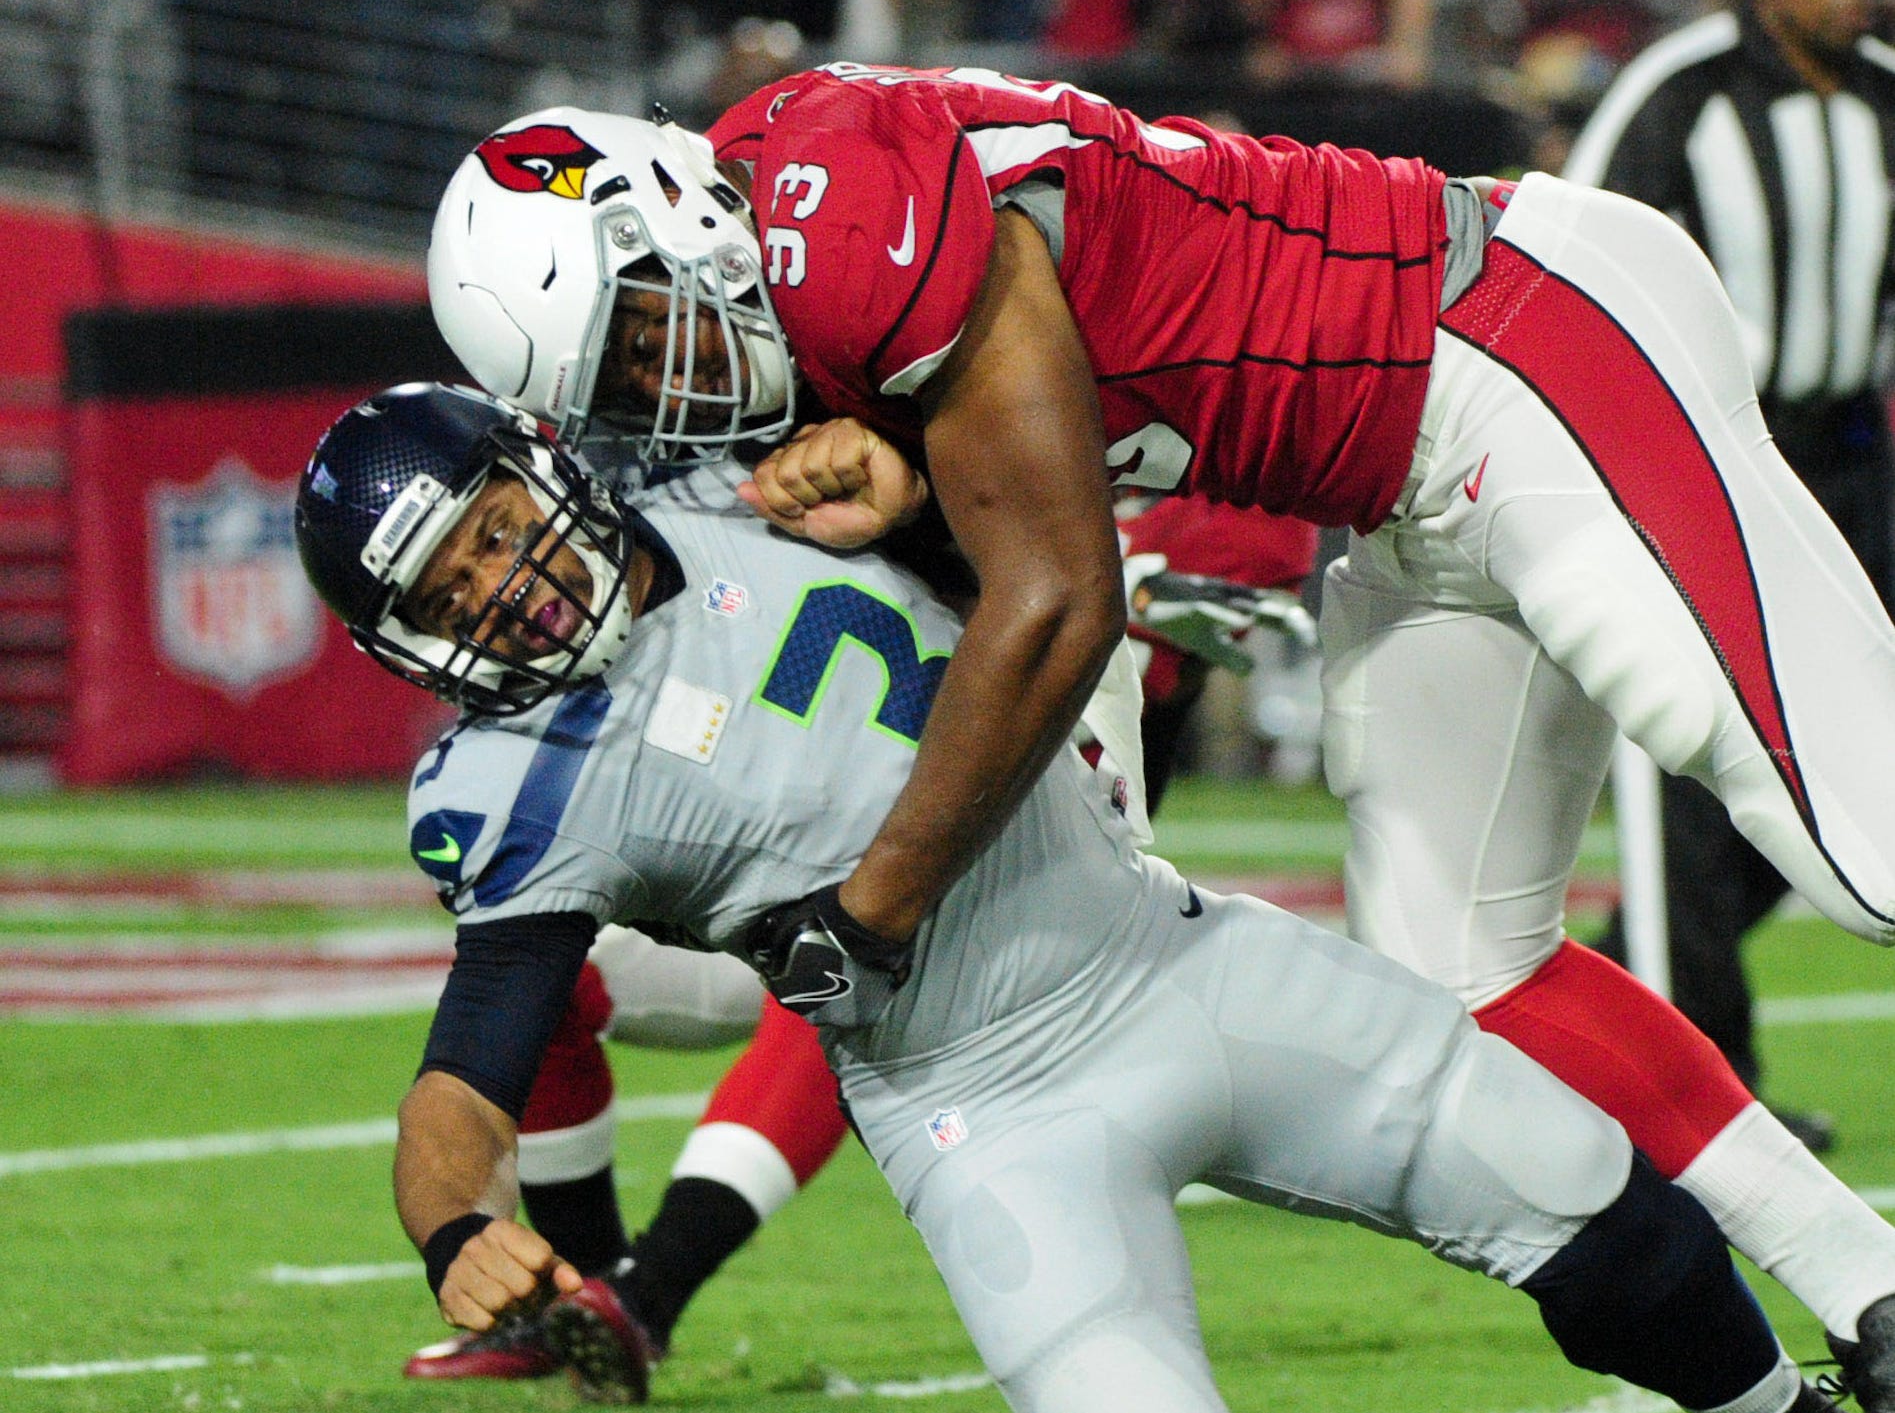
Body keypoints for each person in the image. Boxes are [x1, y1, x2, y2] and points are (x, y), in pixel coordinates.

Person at [423, 79, 1895, 1407]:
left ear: (669, 213)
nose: (661, 380)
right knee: (1465, 969)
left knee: (1859, 844)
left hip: (1507, 343)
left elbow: (1063, 600)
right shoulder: (796, 269)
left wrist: (870, 911)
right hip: (1396, 488)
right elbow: (1019, 467)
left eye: (640, 329)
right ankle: (1872, 1290)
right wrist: (907, 477)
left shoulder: (839, 206)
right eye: (619, 384)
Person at [296, 379, 1840, 1413]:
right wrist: (452, 1228)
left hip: (1167, 953)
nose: (499, 586)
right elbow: (466, 1069)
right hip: (984, 1115)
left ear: (541, 469)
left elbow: (1021, 545)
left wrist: (904, 485)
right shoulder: (515, 788)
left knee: (1586, 1195)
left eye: (487, 533)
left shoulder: (741, 484)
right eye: (446, 593)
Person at [401, 487, 1321, 1394]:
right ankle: (584, 1296)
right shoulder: (739, 486)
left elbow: (1098, 782)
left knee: (850, 962)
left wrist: (1139, 638)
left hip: (941, 893)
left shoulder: (1145, 488)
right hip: (745, 874)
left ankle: (648, 1292)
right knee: (564, 983)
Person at [1560, 0, 1895, 1160]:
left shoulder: (1882, 95)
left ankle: (1614, 993)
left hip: (1853, 468)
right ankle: (1707, 1097)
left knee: (1845, 773)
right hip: (1716, 469)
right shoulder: (1679, 92)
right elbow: (1569, 263)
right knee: (1694, 780)